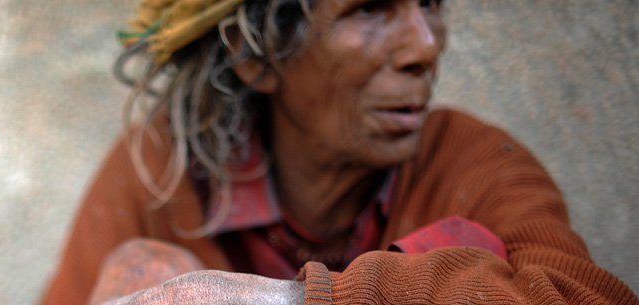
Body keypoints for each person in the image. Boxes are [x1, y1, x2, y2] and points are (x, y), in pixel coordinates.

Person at [39, 0, 639, 304]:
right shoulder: (164, 168)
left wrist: (295, 300)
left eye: (429, 2)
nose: (424, 46)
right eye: (369, 9)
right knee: (142, 267)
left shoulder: (476, 164)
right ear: (257, 55)